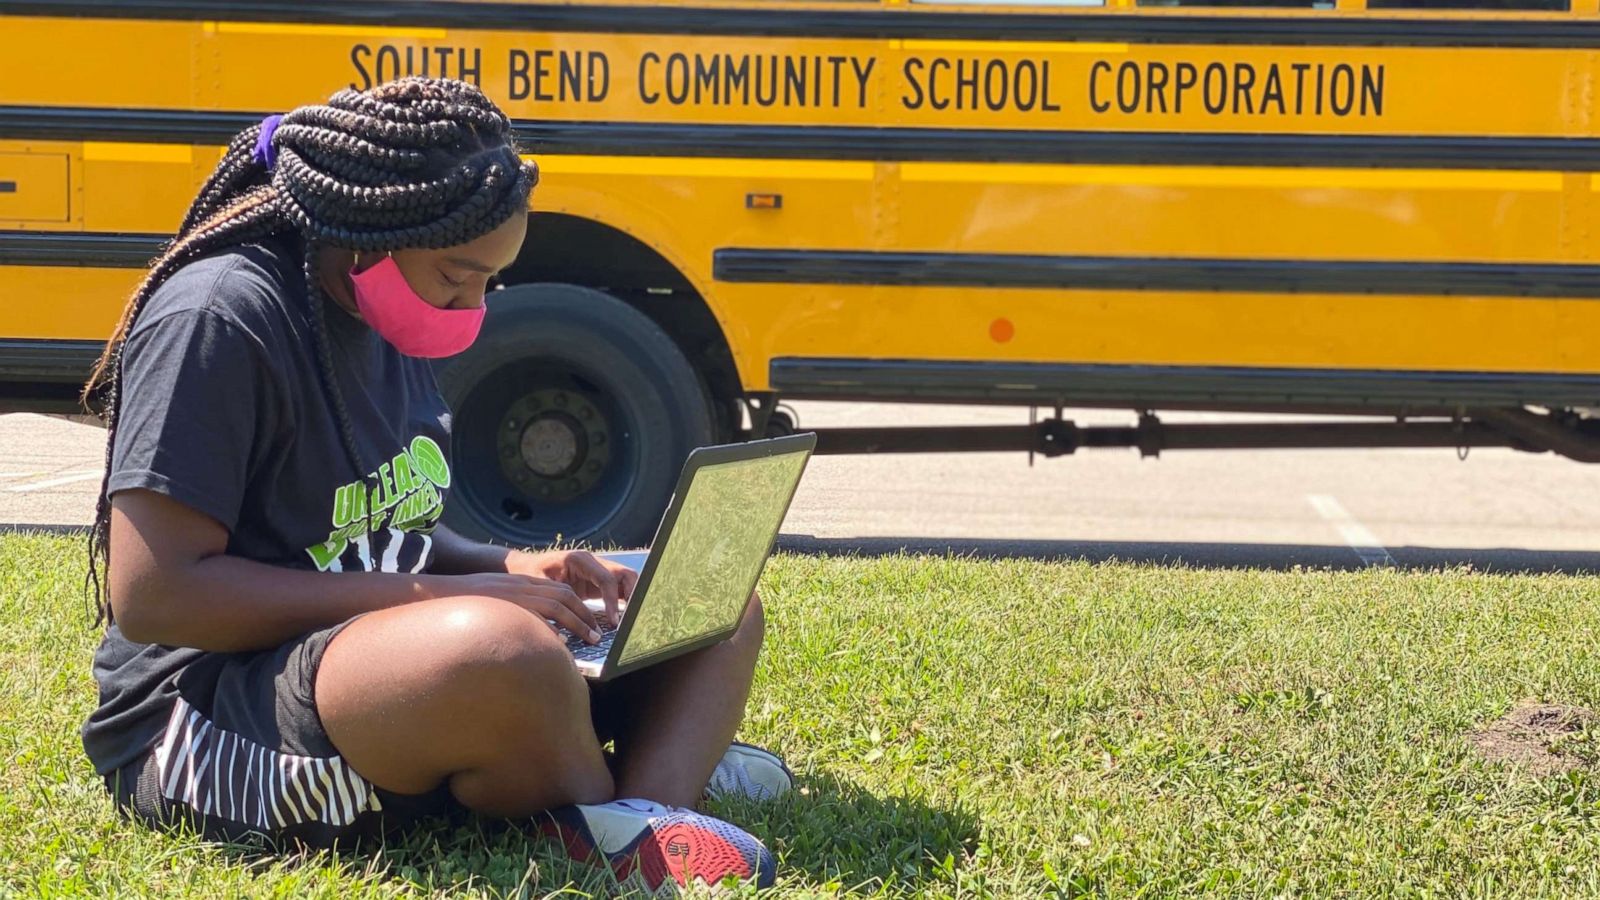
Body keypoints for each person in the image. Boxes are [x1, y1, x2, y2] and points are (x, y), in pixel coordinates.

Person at [78, 77, 789, 894]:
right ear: (371, 234)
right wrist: (432, 600)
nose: (474, 304)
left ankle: (645, 809)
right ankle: (634, 778)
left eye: (490, 279)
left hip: (371, 662)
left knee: (709, 596)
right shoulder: (218, 317)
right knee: (498, 649)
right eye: (457, 276)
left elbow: (375, 527)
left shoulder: (381, 309)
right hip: (208, 716)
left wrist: (513, 567)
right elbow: (156, 593)